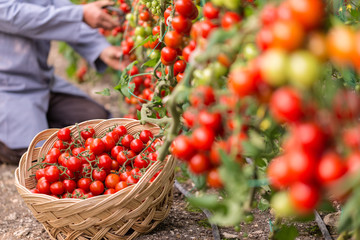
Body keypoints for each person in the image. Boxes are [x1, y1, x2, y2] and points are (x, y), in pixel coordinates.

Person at [0, 0, 127, 164]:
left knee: (96, 122)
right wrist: (79, 14)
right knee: (38, 157)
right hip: (6, 87)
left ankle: (39, 121)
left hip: (40, 82)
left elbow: (59, 7)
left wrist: (101, 48)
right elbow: (16, 15)